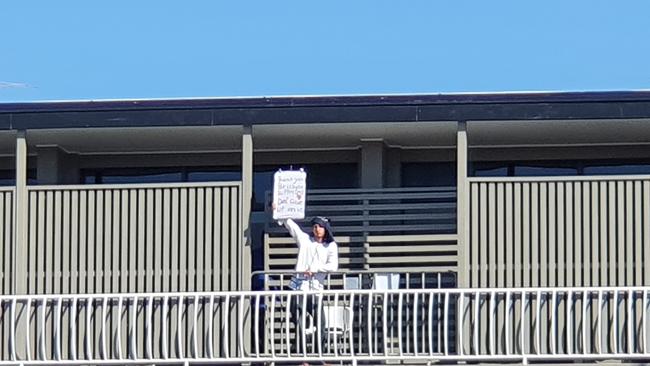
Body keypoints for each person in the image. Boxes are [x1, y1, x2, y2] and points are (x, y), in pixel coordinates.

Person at [278, 216, 338, 356]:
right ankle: (301, 355)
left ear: (326, 229)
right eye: (315, 226)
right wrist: (279, 212)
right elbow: (292, 226)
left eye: (320, 226)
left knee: (320, 324)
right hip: (298, 288)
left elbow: (333, 266)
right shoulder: (305, 240)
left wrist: (316, 269)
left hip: (316, 290)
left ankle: (319, 356)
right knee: (298, 323)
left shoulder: (331, 246)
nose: (317, 229)